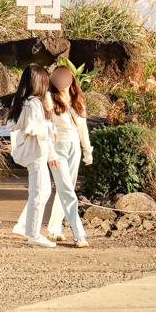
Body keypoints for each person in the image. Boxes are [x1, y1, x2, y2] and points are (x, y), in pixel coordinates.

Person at [6, 64, 58, 248]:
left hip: (34, 151)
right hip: (35, 152)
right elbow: (38, 129)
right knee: (39, 192)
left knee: (44, 191)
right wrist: (52, 127)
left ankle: (24, 226)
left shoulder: (21, 101)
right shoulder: (32, 102)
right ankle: (34, 234)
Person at [46, 64, 92, 248]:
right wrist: (50, 152)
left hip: (75, 147)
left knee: (67, 189)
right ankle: (79, 234)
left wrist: (87, 150)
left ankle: (54, 229)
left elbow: (83, 128)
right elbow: (46, 123)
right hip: (57, 148)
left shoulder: (78, 98)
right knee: (67, 191)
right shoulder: (49, 98)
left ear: (71, 78)